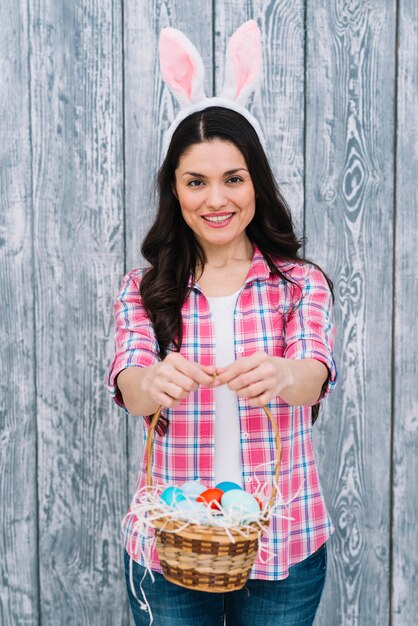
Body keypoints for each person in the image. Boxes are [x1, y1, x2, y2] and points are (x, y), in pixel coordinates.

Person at [106, 21, 337, 626]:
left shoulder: (299, 284)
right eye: (196, 181)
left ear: (256, 182)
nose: (217, 200)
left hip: (284, 537)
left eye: (233, 178)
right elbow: (129, 382)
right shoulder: (144, 289)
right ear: (174, 190)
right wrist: (152, 383)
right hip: (171, 545)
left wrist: (284, 374)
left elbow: (313, 374)